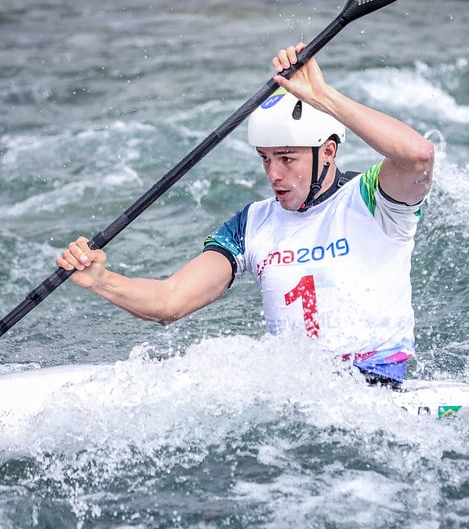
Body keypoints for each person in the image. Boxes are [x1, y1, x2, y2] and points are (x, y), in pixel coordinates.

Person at [57, 43, 434, 386]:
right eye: (266, 159)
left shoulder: (372, 199)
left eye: (287, 158)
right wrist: (102, 280)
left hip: (378, 384)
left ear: (329, 152)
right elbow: (170, 302)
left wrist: (323, 97)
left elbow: (417, 155)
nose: (274, 174)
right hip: (294, 393)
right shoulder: (252, 224)